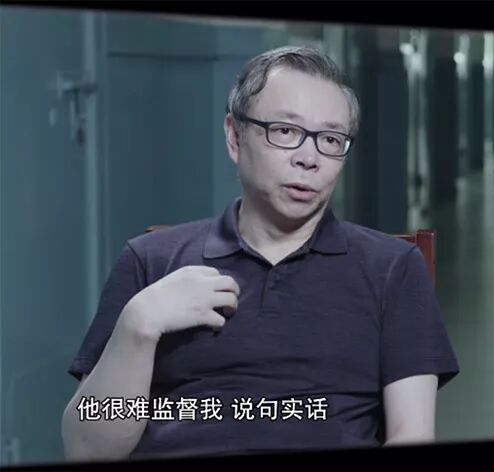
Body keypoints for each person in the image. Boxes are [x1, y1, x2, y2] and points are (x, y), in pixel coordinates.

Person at [61, 45, 459, 461]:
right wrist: (137, 326)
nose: (309, 158)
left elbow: (412, 433)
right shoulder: (152, 261)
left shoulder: (392, 269)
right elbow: (86, 450)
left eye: (330, 139)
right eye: (285, 131)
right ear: (235, 137)